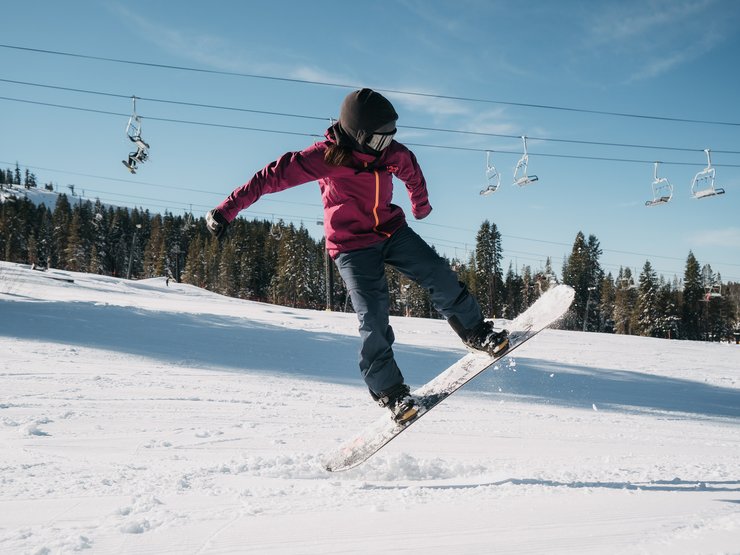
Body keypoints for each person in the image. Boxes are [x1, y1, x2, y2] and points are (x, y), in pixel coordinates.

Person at [206, 88, 508, 424]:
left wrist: (420, 206)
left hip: (391, 231)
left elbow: (413, 173)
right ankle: (391, 393)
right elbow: (269, 177)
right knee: (373, 315)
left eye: (390, 138)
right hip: (352, 246)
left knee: (436, 271)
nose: (386, 146)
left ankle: (475, 331)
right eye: (379, 140)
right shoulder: (324, 157)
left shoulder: (392, 152)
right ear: (357, 135)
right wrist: (226, 210)